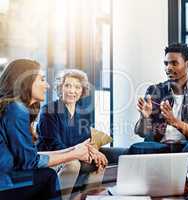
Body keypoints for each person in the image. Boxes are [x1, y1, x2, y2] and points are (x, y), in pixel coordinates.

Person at [0, 59, 91, 200]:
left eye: (77, 87)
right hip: (5, 182)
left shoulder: (15, 108)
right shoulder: (16, 110)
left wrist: (75, 150)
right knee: (48, 175)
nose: (47, 86)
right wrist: (74, 154)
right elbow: (29, 162)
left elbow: (28, 156)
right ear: (26, 82)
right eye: (42, 80)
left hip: (9, 175)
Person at [131, 43, 188, 173]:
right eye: (166, 64)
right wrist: (144, 118)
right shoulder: (155, 90)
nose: (168, 68)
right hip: (161, 144)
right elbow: (142, 132)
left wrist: (174, 121)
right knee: (139, 148)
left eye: (174, 63)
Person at [37, 69, 108, 199]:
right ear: (60, 88)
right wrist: (78, 154)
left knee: (100, 161)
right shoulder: (48, 111)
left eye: (77, 87)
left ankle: (85, 197)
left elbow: (86, 141)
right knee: (73, 164)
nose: (72, 91)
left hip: (73, 154)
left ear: (82, 91)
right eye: (67, 86)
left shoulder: (82, 114)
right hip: (52, 158)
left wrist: (95, 152)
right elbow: (53, 144)